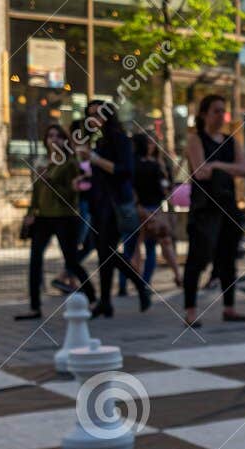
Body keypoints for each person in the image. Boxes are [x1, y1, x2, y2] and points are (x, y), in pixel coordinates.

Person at [182, 93, 245, 327]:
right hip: (204, 208)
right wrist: (218, 168)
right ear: (204, 114)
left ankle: (229, 308)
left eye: (223, 110)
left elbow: (244, 169)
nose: (221, 115)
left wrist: (218, 165)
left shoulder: (231, 141)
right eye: (216, 110)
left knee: (228, 258)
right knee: (198, 258)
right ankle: (190, 311)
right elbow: (201, 171)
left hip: (228, 207)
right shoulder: (196, 139)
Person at [78, 102, 150, 316]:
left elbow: (125, 170)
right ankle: (107, 301)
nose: (93, 120)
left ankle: (135, 287)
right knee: (104, 253)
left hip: (115, 205)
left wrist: (95, 160)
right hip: (98, 205)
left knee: (106, 251)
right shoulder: (99, 141)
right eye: (89, 116)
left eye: (97, 115)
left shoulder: (120, 140)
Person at [17, 123, 95, 320]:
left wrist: (49, 181)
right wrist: (30, 212)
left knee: (71, 260)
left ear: (64, 140)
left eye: (58, 136)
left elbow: (72, 195)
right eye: (50, 136)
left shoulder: (70, 163)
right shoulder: (43, 161)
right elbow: (36, 191)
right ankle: (35, 307)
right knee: (35, 261)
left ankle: (93, 298)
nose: (53, 139)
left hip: (64, 217)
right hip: (43, 217)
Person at [125, 132, 182, 290]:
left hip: (151, 208)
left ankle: (145, 282)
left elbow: (166, 187)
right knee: (143, 246)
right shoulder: (146, 164)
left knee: (155, 244)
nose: (151, 146)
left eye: (153, 143)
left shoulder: (156, 163)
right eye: (149, 143)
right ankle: (142, 282)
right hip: (146, 209)